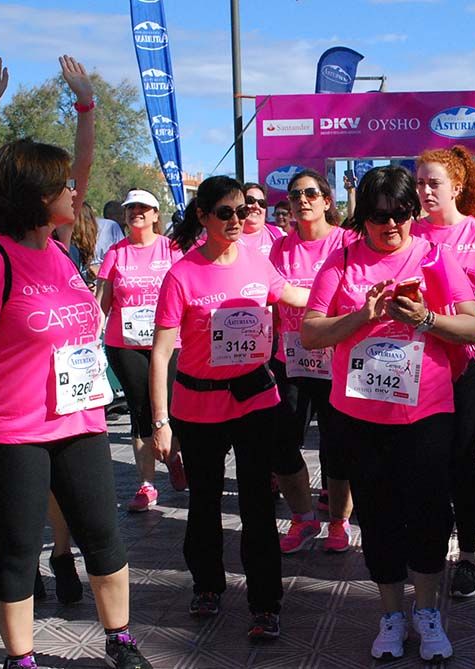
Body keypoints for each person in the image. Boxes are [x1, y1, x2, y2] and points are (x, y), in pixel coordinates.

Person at [0, 53, 153, 669]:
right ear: (35, 197)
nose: (77, 191)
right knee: (18, 550)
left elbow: (77, 166)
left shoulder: (57, 248)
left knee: (104, 538)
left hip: (78, 423)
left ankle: (120, 639)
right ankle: (21, 657)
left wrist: (87, 107)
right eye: (63, 187)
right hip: (12, 433)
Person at [301, 165, 475, 662]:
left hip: (426, 413)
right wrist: (365, 315)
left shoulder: (435, 256)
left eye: (402, 214)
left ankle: (427, 612)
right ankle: (390, 615)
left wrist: (425, 318)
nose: (392, 225)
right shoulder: (341, 262)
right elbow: (311, 331)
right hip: (361, 416)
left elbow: (472, 327)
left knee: (427, 514)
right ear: (364, 218)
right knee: (377, 517)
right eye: (380, 217)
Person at [151, 176, 308, 639]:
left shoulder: (258, 261)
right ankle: (207, 586)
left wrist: (353, 297)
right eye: (226, 212)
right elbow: (161, 353)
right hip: (197, 406)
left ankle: (265, 603)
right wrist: (161, 422)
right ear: (203, 217)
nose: (238, 220)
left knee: (258, 504)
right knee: (204, 503)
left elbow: (295, 296)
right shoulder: (182, 273)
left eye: (243, 210)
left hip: (256, 398)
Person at [413, 145, 475, 599]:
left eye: (434, 182)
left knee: (461, 456)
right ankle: (430, 546)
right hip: (425, 359)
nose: (425, 190)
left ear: (457, 186)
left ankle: (468, 556)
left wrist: (473, 331)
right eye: (419, 182)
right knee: (427, 458)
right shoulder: (411, 233)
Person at [270, 170, 355, 555]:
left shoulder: (346, 242)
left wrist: (302, 300)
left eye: (309, 193)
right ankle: (303, 518)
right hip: (289, 357)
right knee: (284, 446)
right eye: (294, 195)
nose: (301, 200)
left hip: (336, 358)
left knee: (338, 449)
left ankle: (338, 521)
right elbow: (271, 298)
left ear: (326, 200)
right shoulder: (280, 248)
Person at [96, 189, 185, 511]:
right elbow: (102, 301)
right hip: (126, 343)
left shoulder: (171, 249)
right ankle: (146, 484)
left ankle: (172, 455)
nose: (137, 213)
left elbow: (186, 291)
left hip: (169, 341)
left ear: (155, 215)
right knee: (141, 410)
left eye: (143, 208)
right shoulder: (116, 253)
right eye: (131, 208)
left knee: (172, 408)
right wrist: (92, 337)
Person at [241, 182, 285, 257]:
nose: (256, 206)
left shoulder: (279, 234)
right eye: (250, 200)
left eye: (262, 203)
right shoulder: (227, 238)